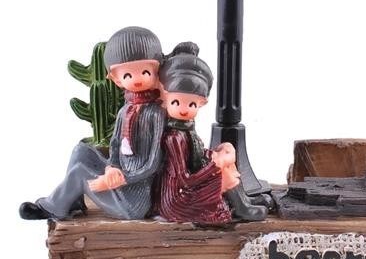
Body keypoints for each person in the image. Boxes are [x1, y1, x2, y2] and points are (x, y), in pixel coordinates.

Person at [20, 26, 166, 221]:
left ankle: (54, 207)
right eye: (127, 75)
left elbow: (153, 163)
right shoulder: (126, 110)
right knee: (82, 151)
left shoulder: (155, 113)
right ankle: (73, 200)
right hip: (118, 177)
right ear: (116, 79)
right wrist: (112, 167)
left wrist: (121, 179)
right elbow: (116, 144)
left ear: (157, 71)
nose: (137, 79)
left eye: (145, 72)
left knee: (80, 172)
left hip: (132, 200)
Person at [155, 42, 267, 223]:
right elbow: (184, 179)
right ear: (165, 100)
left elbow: (196, 157)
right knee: (221, 172)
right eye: (176, 102)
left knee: (226, 161)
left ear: (201, 103)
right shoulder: (174, 138)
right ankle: (241, 208)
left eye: (191, 104)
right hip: (177, 199)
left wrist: (217, 154)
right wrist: (215, 165)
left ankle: (242, 200)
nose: (183, 109)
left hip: (185, 188)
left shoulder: (186, 130)